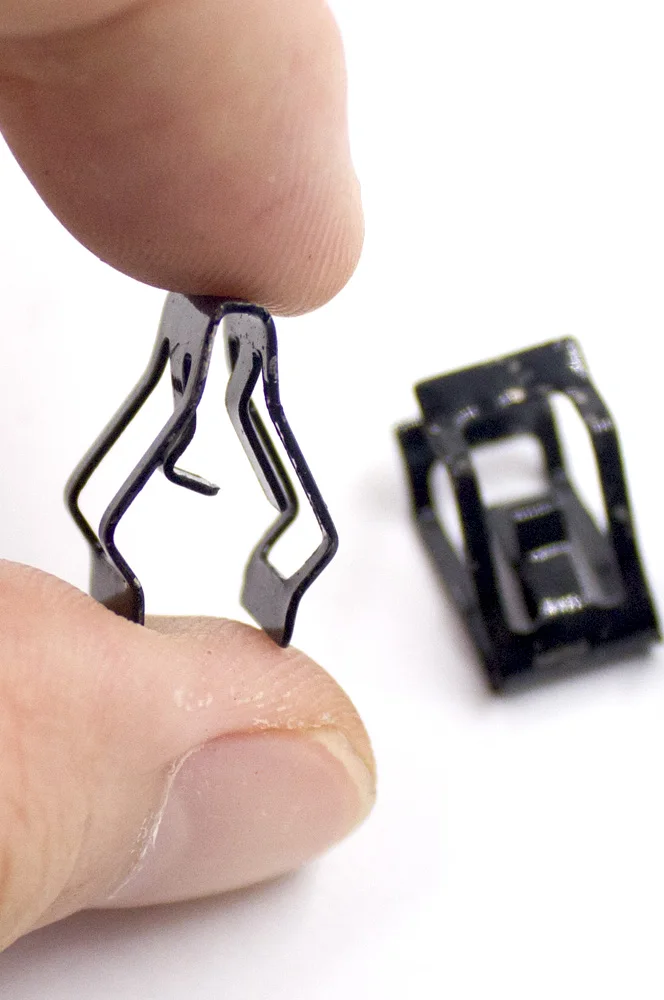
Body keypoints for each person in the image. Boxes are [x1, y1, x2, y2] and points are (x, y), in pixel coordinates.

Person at [0, 0, 373, 950]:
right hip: (162, 459)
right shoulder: (203, 338)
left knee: (188, 492)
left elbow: (240, 427)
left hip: (178, 458)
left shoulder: (226, 355)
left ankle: (181, 568)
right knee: (137, 497)